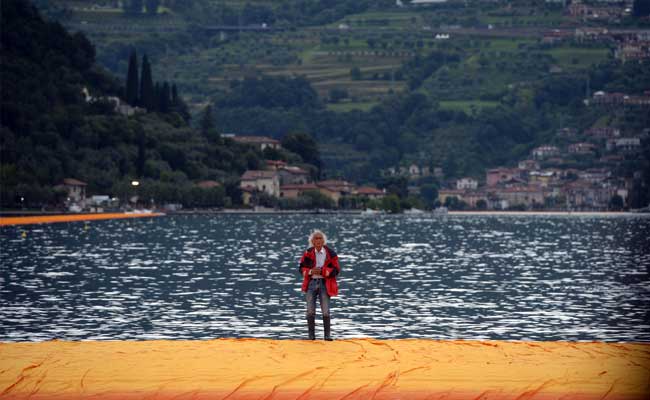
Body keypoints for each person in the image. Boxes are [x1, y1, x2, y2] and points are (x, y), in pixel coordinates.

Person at [298, 230, 340, 341]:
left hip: (325, 284)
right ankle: (311, 336)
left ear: (324, 241)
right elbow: (301, 268)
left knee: (326, 310)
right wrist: (311, 271)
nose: (318, 240)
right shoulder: (307, 253)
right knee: (310, 310)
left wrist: (323, 271)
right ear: (312, 241)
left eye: (320, 238)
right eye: (316, 238)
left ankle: (327, 336)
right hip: (311, 283)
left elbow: (336, 270)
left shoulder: (331, 254)